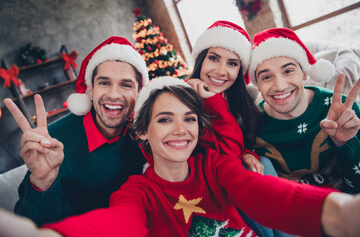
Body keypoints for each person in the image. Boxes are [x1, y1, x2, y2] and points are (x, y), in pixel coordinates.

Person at [1, 76, 360, 237]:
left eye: (189, 119)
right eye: (164, 119)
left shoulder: (216, 167)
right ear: (142, 132)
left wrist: (343, 213)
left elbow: (265, 194)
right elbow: (117, 225)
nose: (181, 130)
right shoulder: (136, 192)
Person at [3, 36, 149, 226]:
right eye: (104, 82)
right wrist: (42, 182)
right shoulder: (53, 140)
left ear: (139, 92)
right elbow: (27, 225)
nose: (114, 94)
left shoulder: (145, 133)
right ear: (91, 90)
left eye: (126, 84)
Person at [246, 28, 360, 193]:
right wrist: (244, 153)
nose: (280, 86)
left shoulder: (343, 110)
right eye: (266, 77)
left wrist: (346, 143)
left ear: (304, 73)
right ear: (257, 85)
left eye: (288, 71)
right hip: (295, 209)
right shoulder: (251, 123)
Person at [188, 20, 267, 174]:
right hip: (197, 177)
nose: (221, 71)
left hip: (229, 172)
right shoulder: (178, 97)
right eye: (214, 58)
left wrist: (245, 153)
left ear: (240, 71)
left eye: (232, 63)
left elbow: (235, 149)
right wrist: (214, 104)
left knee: (265, 164)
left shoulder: (240, 100)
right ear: (201, 60)